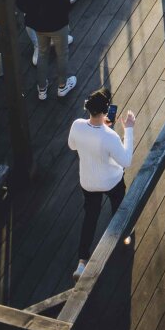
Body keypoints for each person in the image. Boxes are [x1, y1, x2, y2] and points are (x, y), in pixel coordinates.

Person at [68, 91, 135, 276]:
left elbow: (72, 145)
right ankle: (123, 234)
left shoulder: (77, 126)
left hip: (88, 182)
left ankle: (82, 262)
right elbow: (126, 161)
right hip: (111, 181)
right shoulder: (110, 136)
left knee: (90, 217)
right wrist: (129, 129)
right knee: (118, 207)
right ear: (106, 112)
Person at [27, 0, 76, 100]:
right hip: (57, 25)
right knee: (62, 54)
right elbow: (66, 2)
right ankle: (62, 86)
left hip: (39, 26)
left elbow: (22, 3)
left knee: (43, 54)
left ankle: (42, 89)